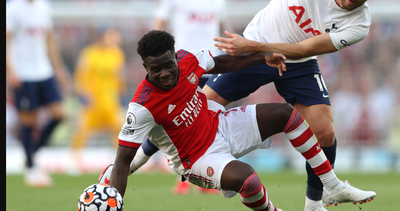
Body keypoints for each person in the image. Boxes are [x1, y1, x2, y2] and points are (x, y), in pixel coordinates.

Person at [204, 0, 387, 211]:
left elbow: (301, 50)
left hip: (294, 61)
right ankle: (142, 159)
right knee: (202, 105)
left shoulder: (359, 24)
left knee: (324, 130)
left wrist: (254, 47)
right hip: (260, 38)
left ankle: (314, 205)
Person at [99, 30, 376, 210]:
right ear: (145, 67)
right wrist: (115, 202)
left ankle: (331, 185)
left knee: (285, 114)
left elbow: (223, 64)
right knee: (249, 180)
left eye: (167, 65)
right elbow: (123, 160)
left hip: (220, 125)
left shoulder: (186, 60)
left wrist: (261, 58)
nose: (164, 74)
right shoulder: (142, 106)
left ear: (174, 56)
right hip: (197, 159)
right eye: (155, 69)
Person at [152, 0, 230, 194]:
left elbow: (223, 26)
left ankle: (207, 177)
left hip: (211, 65)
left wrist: (229, 55)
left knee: (209, 122)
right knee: (180, 122)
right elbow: (159, 25)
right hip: (181, 68)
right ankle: (183, 176)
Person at [6, 0, 71, 187]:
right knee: (29, 121)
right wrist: (10, 71)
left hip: (43, 70)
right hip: (23, 73)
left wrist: (59, 69)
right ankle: (32, 168)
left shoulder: (44, 5)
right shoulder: (12, 8)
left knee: (60, 114)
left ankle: (31, 154)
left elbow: (50, 39)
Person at [70, 27, 126, 172]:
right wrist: (83, 94)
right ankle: (74, 162)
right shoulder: (89, 54)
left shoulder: (117, 54)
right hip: (93, 101)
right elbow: (80, 76)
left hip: (111, 102)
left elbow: (119, 77)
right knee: (82, 130)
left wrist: (122, 94)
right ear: (102, 37)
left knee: (120, 130)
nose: (114, 40)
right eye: (111, 36)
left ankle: (121, 162)